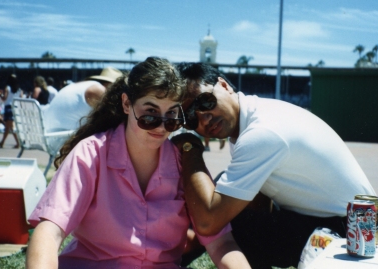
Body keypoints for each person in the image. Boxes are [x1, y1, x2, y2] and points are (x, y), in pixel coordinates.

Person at [26, 57, 250, 269]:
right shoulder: (90, 154)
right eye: (150, 114)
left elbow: (221, 243)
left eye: (171, 116)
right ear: (126, 104)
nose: (162, 127)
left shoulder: (183, 163)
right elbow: (49, 231)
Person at [171, 62, 376, 268]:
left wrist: (190, 147)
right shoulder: (254, 117)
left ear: (224, 85)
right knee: (226, 202)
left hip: (346, 233)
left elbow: (208, 223)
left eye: (204, 102)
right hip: (345, 221)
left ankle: (161, 258)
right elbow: (260, 204)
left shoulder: (261, 133)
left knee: (222, 215)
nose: (204, 119)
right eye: (190, 118)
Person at [42, 67, 123, 132]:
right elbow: (113, 119)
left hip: (50, 134)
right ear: (112, 85)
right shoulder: (99, 90)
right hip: (61, 138)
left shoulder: (83, 85)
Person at [0, 74, 23, 148]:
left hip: (8, 107)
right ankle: (2, 142)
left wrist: (0, 95)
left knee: (11, 127)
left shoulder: (7, 88)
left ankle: (19, 143)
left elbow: (4, 98)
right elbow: (21, 99)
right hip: (15, 107)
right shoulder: (19, 89)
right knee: (7, 126)